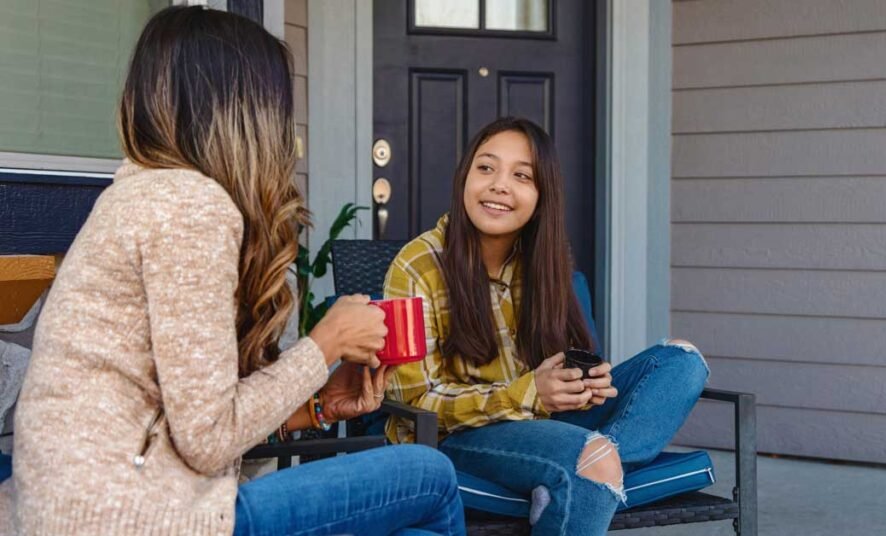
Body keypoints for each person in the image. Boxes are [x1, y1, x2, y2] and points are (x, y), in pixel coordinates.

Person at [6, 7, 464, 535]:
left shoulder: (141, 195)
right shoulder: (189, 206)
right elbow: (208, 439)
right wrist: (328, 342)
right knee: (429, 474)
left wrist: (317, 408)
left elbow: (185, 423)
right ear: (245, 113)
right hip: (135, 516)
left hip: (91, 505)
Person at [383, 117, 709, 535]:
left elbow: (557, 369)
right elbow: (415, 404)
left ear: (542, 196)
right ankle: (589, 475)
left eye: (521, 175)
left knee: (682, 361)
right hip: (457, 438)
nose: (499, 185)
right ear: (464, 176)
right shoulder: (418, 266)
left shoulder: (546, 260)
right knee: (591, 459)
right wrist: (530, 392)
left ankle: (579, 480)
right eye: (486, 168)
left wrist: (583, 386)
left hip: (544, 427)